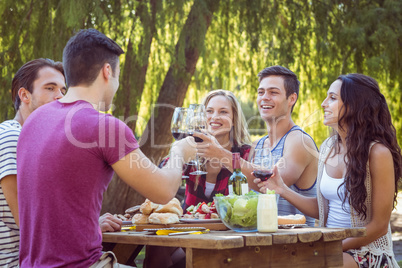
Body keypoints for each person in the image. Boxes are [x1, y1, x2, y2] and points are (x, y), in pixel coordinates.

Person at [16, 28, 196, 268]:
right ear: (107, 71)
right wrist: (179, 152)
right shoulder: (104, 126)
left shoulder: (34, 121)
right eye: (118, 75)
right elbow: (162, 191)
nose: (118, 84)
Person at [256, 73, 401, 267]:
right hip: (331, 247)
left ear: (354, 104)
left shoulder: (377, 153)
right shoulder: (328, 147)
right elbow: (323, 208)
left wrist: (333, 247)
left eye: (332, 98)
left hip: (369, 253)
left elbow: (379, 226)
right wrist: (282, 189)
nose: (324, 104)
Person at [196, 66, 319, 226]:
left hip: (294, 243)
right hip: (261, 240)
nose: (264, 98)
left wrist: (220, 154)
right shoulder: (258, 145)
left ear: (291, 99)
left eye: (273, 92)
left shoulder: (299, 141)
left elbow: (272, 183)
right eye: (261, 92)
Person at [145, 89, 252, 268]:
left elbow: (256, 178)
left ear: (234, 119)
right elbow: (162, 176)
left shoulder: (245, 153)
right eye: (209, 111)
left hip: (228, 237)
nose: (214, 117)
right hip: (189, 233)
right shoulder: (191, 150)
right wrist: (177, 153)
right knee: (156, 242)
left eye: (223, 112)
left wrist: (219, 153)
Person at [0, 58, 66, 267]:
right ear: (24, 95)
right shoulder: (12, 137)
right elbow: (29, 222)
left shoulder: (32, 141)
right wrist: (92, 227)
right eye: (50, 88)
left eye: (63, 90)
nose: (60, 96)